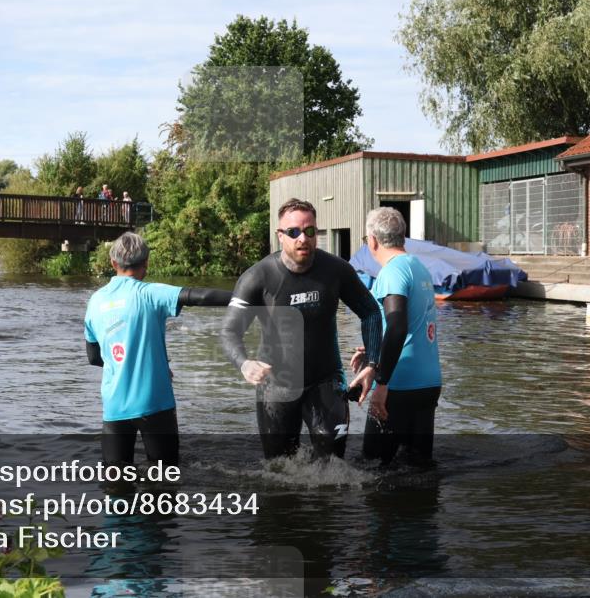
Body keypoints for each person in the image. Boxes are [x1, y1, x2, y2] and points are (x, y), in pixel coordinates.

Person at [221, 198, 382, 460]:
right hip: (277, 385)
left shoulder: (337, 270)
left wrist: (372, 363)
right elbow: (230, 331)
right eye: (293, 232)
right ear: (280, 235)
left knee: (334, 467)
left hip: (326, 380)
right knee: (279, 469)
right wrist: (244, 363)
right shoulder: (257, 277)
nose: (302, 239)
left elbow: (371, 313)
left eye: (309, 231)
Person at [84, 232, 231, 467]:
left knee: (116, 482)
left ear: (113, 263)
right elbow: (198, 296)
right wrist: (246, 298)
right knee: (164, 479)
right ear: (146, 263)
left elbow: (94, 357)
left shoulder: (95, 301)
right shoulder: (150, 293)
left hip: (114, 406)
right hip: (155, 403)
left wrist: (125, 364)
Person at [348, 207, 442, 467]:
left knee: (372, 467)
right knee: (418, 468)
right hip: (429, 383)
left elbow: (398, 325)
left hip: (399, 385)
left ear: (372, 241)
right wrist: (372, 350)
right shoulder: (418, 267)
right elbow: (410, 326)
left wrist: (382, 383)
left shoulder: (392, 272)